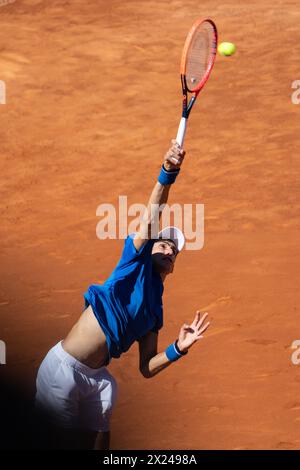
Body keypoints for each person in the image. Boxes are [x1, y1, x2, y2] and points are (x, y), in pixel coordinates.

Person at [35, 140, 210, 449]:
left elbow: (147, 367)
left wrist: (179, 348)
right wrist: (168, 171)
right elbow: (152, 214)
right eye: (163, 245)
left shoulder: (155, 309)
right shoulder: (134, 262)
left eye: (175, 251)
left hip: (97, 379)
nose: (169, 250)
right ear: (149, 248)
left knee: (103, 436)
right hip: (63, 371)